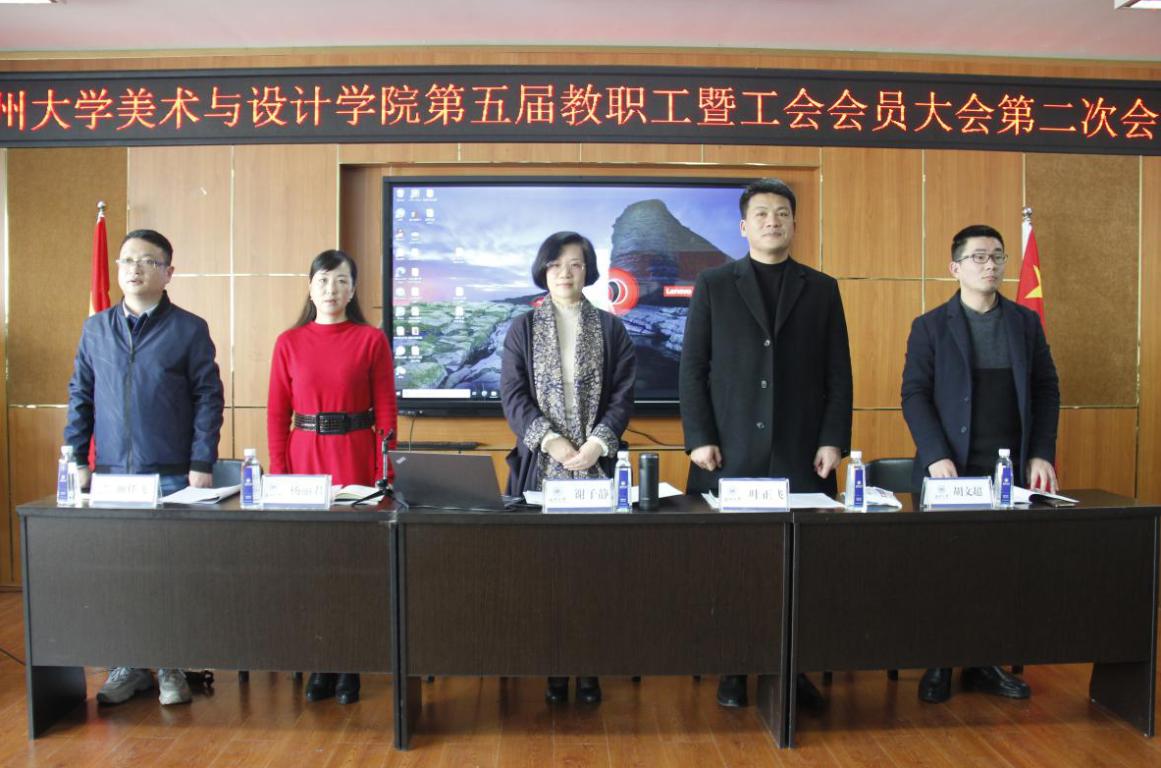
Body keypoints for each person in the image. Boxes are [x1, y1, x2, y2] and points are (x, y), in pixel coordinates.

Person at [679, 178, 852, 710]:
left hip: (800, 452)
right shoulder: (714, 284)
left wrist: (833, 440)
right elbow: (693, 367)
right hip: (729, 450)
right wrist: (699, 438)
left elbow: (838, 373)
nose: (772, 221)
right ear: (743, 226)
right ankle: (734, 666)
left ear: (795, 223)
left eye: (781, 213)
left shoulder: (821, 288)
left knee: (800, 568)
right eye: (761, 213)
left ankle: (793, 669)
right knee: (731, 564)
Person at [65, 229, 225, 707]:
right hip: (112, 476)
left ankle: (170, 663)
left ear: (168, 272)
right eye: (126, 260)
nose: (134, 269)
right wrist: (76, 458)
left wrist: (201, 461)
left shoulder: (189, 329)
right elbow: (80, 396)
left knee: (168, 574)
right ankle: (128, 666)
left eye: (147, 261)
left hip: (172, 473)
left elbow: (208, 398)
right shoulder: (96, 329)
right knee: (118, 575)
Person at [901, 223, 1060, 704]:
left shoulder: (1025, 323)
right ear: (955, 267)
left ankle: (982, 664)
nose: (990, 265)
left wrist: (1041, 452)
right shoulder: (930, 326)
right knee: (944, 568)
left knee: (998, 568)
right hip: (949, 467)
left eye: (997, 257)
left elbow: (1046, 389)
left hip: (1007, 468)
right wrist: (936, 455)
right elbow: (914, 394)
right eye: (978, 257)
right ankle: (939, 662)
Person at [500, 231, 637, 705]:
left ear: (588, 271)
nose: (564, 273)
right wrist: (554, 443)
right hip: (541, 467)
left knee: (594, 574)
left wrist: (597, 445)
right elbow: (513, 395)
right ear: (543, 270)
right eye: (556, 264)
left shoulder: (612, 329)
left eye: (575, 264)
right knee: (545, 573)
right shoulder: (522, 329)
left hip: (598, 467)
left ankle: (590, 666)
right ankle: (554, 668)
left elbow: (623, 395)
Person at [267, 248, 397, 705]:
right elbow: (277, 414)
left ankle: (350, 664)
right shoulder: (289, 342)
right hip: (305, 458)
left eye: (341, 280)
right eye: (323, 280)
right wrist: (279, 474)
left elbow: (386, 413)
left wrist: (383, 472)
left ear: (353, 289)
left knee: (352, 567)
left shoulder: (371, 340)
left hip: (356, 456)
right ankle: (320, 662)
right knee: (312, 566)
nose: (331, 289)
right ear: (310, 287)